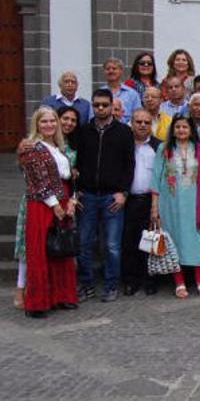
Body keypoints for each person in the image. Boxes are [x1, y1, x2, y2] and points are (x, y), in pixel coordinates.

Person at [18, 107, 78, 318]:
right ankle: (38, 302)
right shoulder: (31, 148)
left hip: (61, 200)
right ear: (36, 124)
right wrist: (55, 205)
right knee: (41, 252)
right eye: (44, 122)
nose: (49, 125)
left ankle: (61, 296)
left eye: (52, 121)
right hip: (43, 205)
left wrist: (70, 200)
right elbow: (38, 181)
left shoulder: (58, 147)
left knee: (61, 251)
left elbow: (68, 176)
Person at [76, 88, 135, 303]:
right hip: (88, 195)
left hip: (113, 196)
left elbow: (130, 165)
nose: (100, 108)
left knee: (111, 245)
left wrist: (124, 193)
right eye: (96, 105)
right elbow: (77, 162)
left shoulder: (123, 132)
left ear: (112, 106)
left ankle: (111, 285)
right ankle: (86, 284)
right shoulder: (84, 131)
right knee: (84, 243)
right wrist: (78, 189)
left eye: (104, 104)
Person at [150, 114, 200, 298]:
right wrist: (154, 206)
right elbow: (156, 177)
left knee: (199, 241)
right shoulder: (165, 148)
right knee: (174, 242)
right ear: (173, 129)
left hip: (196, 205)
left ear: (191, 130)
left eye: (185, 127)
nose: (181, 130)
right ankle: (179, 283)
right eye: (177, 127)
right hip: (171, 205)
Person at [121, 109, 160, 296]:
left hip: (150, 202)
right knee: (129, 242)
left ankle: (150, 280)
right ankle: (131, 280)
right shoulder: (124, 144)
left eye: (146, 122)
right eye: (139, 122)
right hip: (129, 200)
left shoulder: (158, 146)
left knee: (150, 243)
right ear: (131, 123)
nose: (143, 125)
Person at [100, 57, 141, 124]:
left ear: (121, 71)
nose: (111, 71)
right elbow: (92, 116)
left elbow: (138, 116)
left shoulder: (132, 94)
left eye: (114, 68)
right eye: (107, 69)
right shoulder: (99, 93)